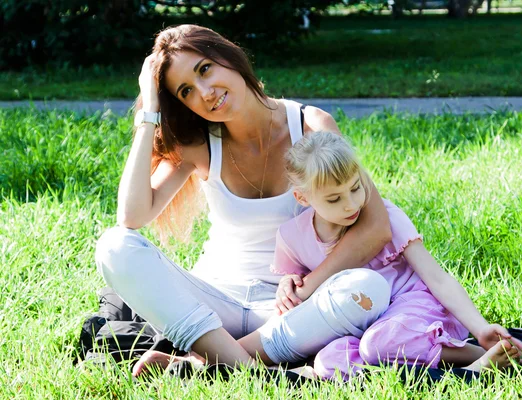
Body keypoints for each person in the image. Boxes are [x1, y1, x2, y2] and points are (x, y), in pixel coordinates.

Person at [94, 24, 394, 375]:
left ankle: (207, 361)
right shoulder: (199, 146)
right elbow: (132, 216)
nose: (205, 93)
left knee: (369, 289)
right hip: (213, 307)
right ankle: (246, 369)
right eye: (186, 91)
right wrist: (148, 113)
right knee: (114, 246)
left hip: (293, 308)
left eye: (205, 69)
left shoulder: (310, 125)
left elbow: (375, 227)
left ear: (228, 56)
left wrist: (306, 289)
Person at [270, 132, 522, 380]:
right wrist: (289, 283)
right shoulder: (292, 237)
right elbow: (296, 287)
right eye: (334, 199)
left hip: (414, 308)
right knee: (329, 361)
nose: (351, 204)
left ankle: (481, 358)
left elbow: (437, 278)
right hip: (362, 324)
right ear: (302, 198)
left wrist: (481, 328)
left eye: (355, 187)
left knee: (380, 342)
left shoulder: (384, 217)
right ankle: (406, 370)